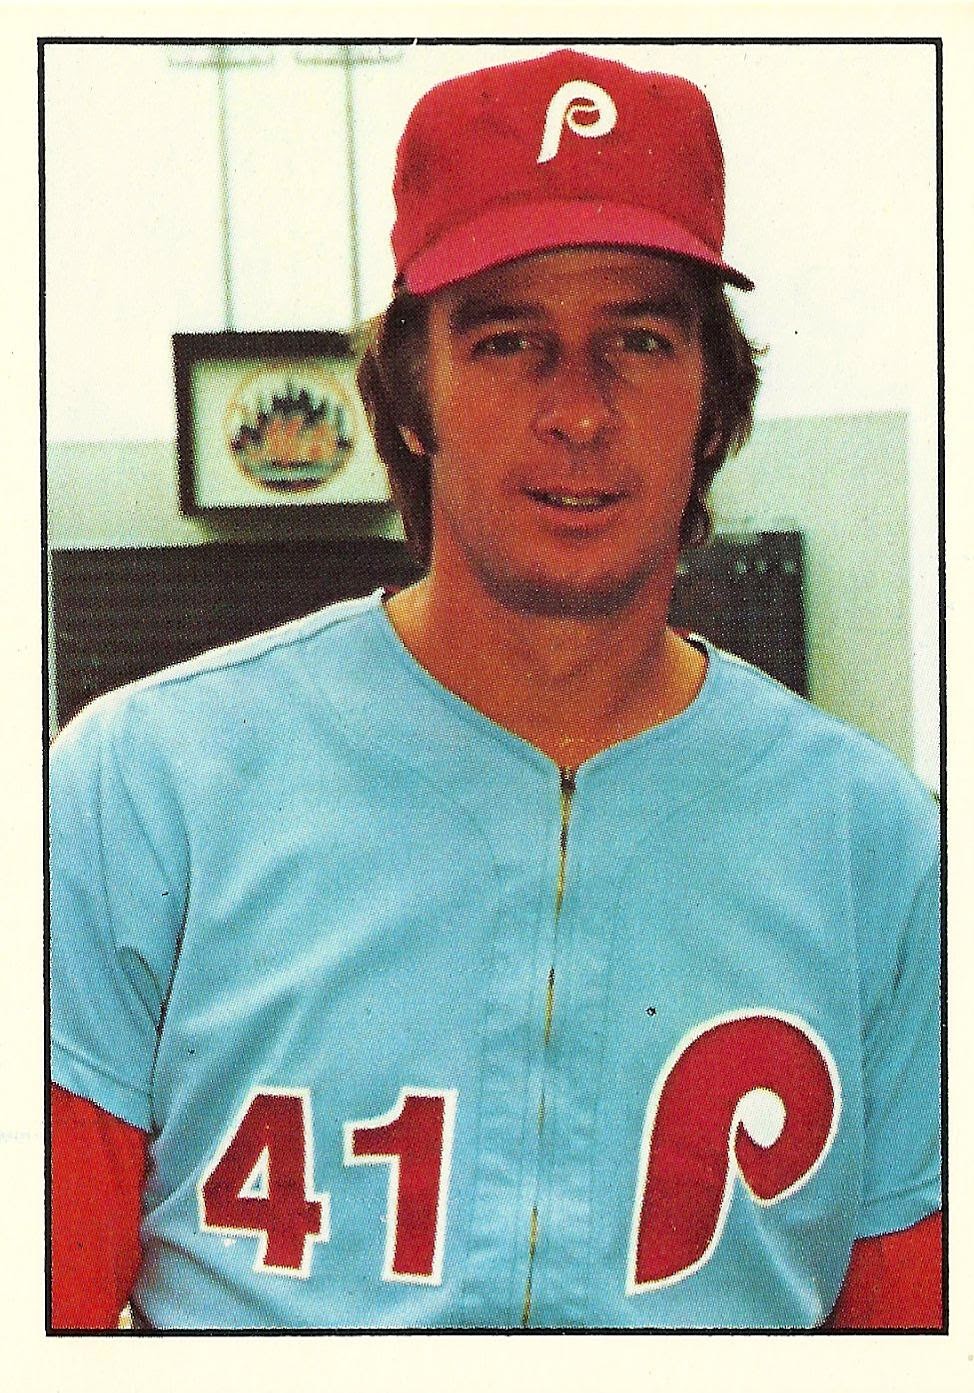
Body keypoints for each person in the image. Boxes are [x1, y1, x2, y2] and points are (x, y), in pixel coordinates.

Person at [50, 47, 941, 1330]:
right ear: (411, 394)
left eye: (638, 339)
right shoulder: (141, 787)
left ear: (712, 400)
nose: (577, 410)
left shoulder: (874, 842)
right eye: (508, 338)